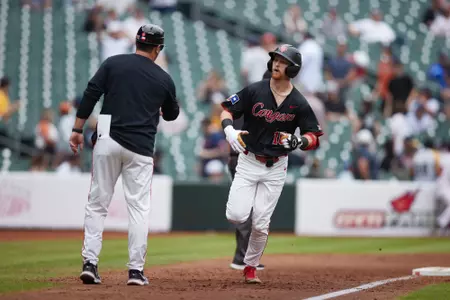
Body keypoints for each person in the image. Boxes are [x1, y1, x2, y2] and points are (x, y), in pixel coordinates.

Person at [69, 24, 179, 286]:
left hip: (107, 139)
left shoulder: (113, 64)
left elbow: (90, 94)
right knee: (139, 209)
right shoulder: (164, 78)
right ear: (158, 48)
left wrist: (76, 129)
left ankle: (90, 264)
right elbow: (172, 113)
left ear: (136, 43)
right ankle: (135, 272)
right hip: (140, 148)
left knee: (97, 204)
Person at [221, 44, 323, 283]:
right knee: (235, 215)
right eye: (275, 59)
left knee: (260, 224)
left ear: (293, 68)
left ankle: (250, 267)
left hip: (277, 166)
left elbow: (314, 136)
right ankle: (248, 259)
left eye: (283, 61)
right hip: (248, 161)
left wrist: (299, 140)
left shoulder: (299, 102)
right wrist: (229, 131)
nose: (277, 63)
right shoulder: (255, 90)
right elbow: (226, 109)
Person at [227, 70, 272, 271]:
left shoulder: (249, 95)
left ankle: (244, 256)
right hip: (245, 158)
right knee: (249, 210)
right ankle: (242, 257)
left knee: (251, 209)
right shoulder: (265, 100)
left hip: (238, 157)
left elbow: (227, 110)